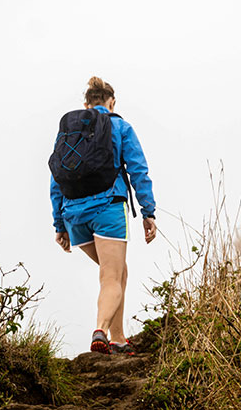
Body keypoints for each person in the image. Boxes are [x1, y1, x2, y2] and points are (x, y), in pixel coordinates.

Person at [50, 76, 157, 355]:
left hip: (74, 216)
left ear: (86, 104)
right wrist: (149, 212)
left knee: (119, 272)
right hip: (108, 209)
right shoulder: (120, 126)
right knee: (111, 276)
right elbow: (138, 171)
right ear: (112, 102)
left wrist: (59, 224)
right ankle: (100, 330)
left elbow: (57, 178)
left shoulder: (70, 132)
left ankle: (119, 338)